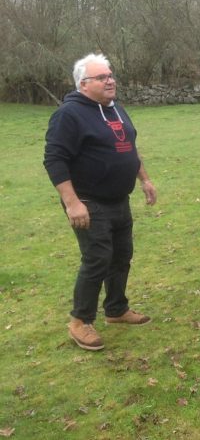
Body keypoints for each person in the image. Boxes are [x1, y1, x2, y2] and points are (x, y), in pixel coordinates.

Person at [44, 53, 157, 351]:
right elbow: (55, 160)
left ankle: (116, 309)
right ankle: (80, 321)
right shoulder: (69, 114)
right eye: (102, 77)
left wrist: (144, 179)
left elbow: (129, 146)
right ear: (83, 83)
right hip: (88, 200)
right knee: (97, 259)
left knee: (121, 255)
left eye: (111, 75)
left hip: (118, 198)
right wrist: (72, 203)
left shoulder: (115, 108)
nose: (110, 81)